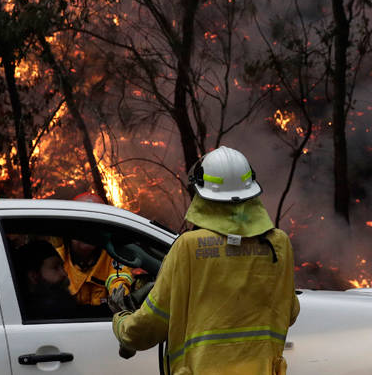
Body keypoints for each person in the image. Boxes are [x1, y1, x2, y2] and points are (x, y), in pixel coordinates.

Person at [111, 146, 300, 374]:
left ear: (201, 194)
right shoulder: (278, 244)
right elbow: (289, 313)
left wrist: (121, 320)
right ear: (252, 192)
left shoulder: (189, 247)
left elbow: (149, 325)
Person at [57, 192, 134, 306]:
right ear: (70, 228)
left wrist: (120, 297)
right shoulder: (57, 259)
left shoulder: (113, 257)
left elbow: (120, 280)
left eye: (94, 225)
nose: (88, 232)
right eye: (82, 225)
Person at [15, 240, 111, 320]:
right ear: (34, 276)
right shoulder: (44, 313)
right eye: (55, 268)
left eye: (62, 266)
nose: (64, 273)